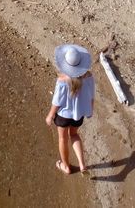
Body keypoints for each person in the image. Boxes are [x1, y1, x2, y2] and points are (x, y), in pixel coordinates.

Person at [46, 43, 95, 175]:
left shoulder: (62, 80)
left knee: (63, 139)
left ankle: (66, 166)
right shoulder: (89, 78)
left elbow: (57, 101)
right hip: (78, 116)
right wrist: (90, 111)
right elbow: (91, 97)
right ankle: (82, 164)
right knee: (74, 135)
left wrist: (50, 115)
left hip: (63, 116)